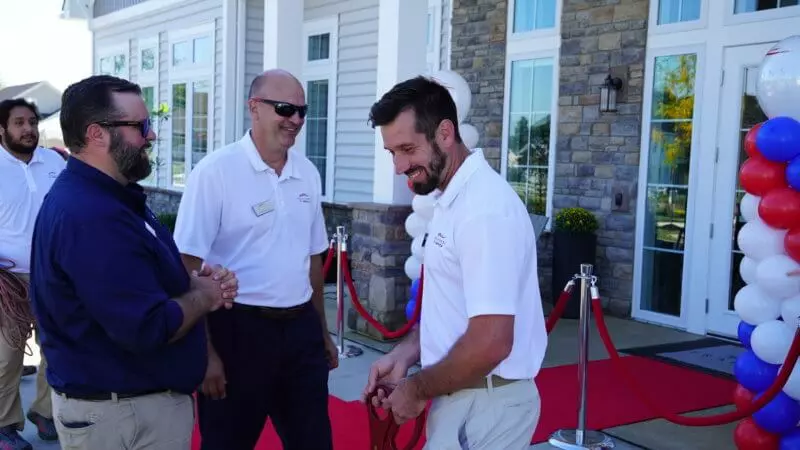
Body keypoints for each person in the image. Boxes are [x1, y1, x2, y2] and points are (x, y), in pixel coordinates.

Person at [28, 75, 238, 450]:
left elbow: (136, 285)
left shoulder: (112, 198)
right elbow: (146, 327)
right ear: (96, 134)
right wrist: (205, 296)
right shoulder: (92, 214)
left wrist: (193, 284)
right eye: (140, 126)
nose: (151, 136)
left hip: (128, 410)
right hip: (122, 418)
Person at [362, 76, 547, 449]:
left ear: (445, 132)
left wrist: (415, 389)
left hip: (486, 408)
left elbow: (491, 342)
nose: (399, 166)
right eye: (391, 152)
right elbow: (455, 310)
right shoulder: (454, 198)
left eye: (407, 148)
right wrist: (408, 353)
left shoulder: (484, 210)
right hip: (469, 400)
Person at [173, 69, 337, 450]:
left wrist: (322, 332)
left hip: (300, 333)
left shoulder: (308, 174)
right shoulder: (215, 173)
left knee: (314, 441)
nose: (295, 119)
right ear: (254, 108)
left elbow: (313, 261)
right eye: (284, 108)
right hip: (236, 332)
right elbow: (185, 266)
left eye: (302, 111)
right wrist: (206, 353)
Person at [0, 98, 64, 449]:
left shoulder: (54, 161)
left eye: (32, 122)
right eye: (19, 123)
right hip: (7, 281)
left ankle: (44, 411)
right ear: (2, 129)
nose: (28, 129)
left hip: (52, 275)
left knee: (54, 348)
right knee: (6, 356)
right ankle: (4, 424)